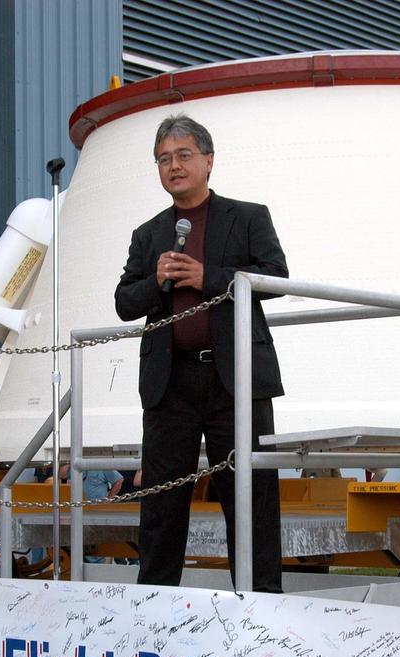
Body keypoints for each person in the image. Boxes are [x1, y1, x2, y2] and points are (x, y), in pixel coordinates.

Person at [115, 114, 288, 592]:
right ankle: (154, 607)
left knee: (250, 500)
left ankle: (259, 612)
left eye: (184, 155)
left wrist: (208, 277)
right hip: (170, 384)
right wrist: (157, 281)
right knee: (162, 507)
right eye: (164, 159)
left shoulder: (249, 216)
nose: (174, 166)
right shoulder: (148, 234)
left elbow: (276, 277)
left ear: (209, 161)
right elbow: (124, 301)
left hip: (236, 382)